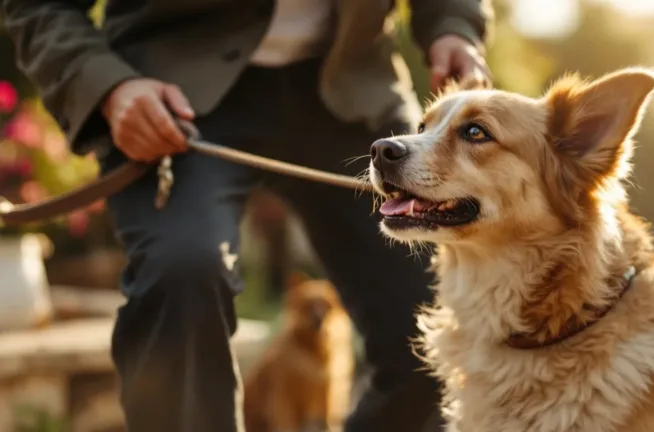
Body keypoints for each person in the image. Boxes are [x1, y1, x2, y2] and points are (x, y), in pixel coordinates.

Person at [2, 0, 493, 431]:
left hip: (350, 89)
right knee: (182, 273)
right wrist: (110, 87)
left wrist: (453, 27)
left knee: (438, 312)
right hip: (173, 98)